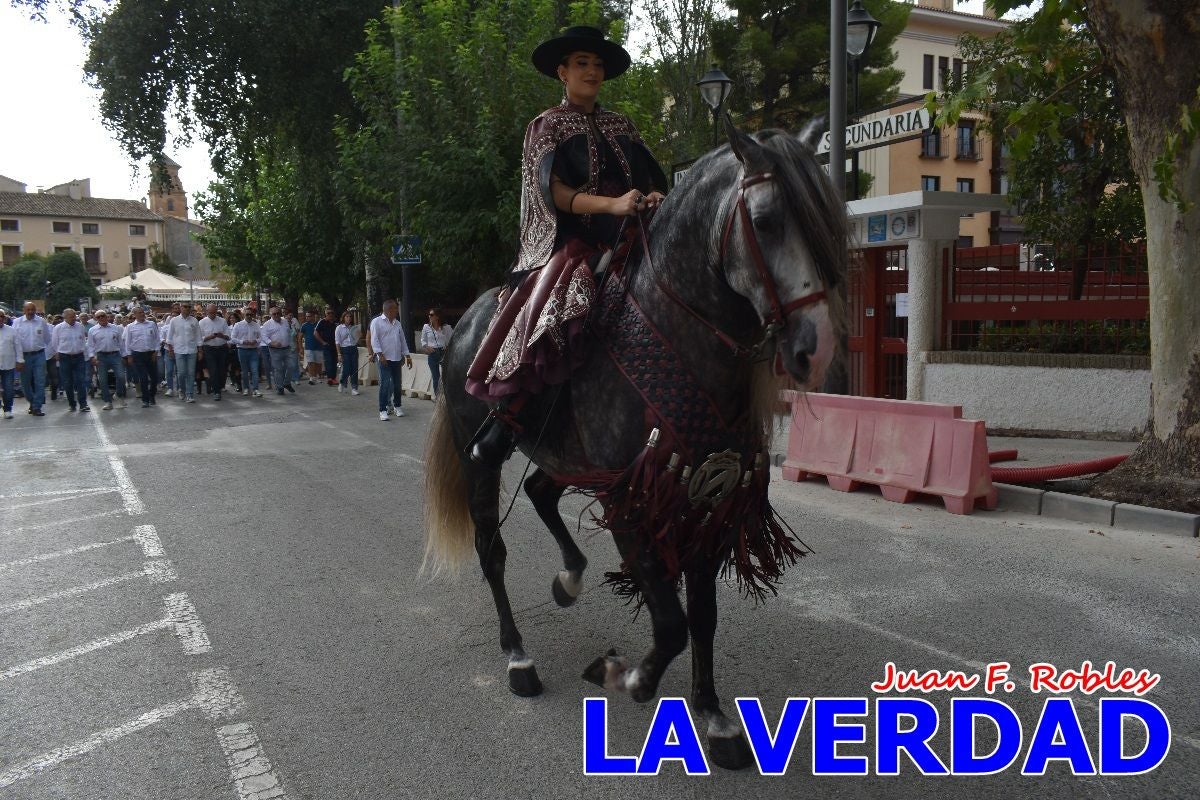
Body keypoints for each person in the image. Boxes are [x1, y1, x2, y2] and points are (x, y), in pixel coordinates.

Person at [464, 25, 667, 465]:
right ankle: (510, 417)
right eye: (581, 64)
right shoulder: (547, 126)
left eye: (597, 65)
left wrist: (649, 197)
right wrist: (612, 205)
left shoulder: (623, 125)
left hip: (633, 236)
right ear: (562, 72)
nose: (592, 71)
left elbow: (648, 179)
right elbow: (551, 192)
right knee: (562, 300)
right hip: (573, 240)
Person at [369, 299, 411, 421]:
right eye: (395, 309)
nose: (397, 311)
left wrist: (407, 355)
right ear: (388, 310)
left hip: (397, 358)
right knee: (385, 384)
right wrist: (380, 355)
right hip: (384, 359)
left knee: (397, 384)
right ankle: (383, 410)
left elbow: (402, 340)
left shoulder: (397, 323)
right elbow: (374, 340)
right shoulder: (376, 322)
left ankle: (398, 406)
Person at [12, 301, 54, 416]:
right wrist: (17, 359)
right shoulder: (16, 323)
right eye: (28, 310)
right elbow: (14, 342)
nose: (30, 312)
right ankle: (32, 401)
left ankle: (37, 407)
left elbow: (47, 339)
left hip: (39, 355)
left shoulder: (41, 322)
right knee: (25, 383)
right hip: (24, 357)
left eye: (32, 310)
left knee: (40, 382)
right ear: (24, 310)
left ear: (35, 310)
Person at [86, 310, 128, 410]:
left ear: (107, 316)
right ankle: (107, 401)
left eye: (103, 316)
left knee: (121, 376)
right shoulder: (92, 330)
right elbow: (90, 346)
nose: (101, 318)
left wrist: (125, 356)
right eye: (98, 317)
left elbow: (121, 344)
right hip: (101, 356)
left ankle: (118, 394)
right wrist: (92, 357)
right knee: (103, 380)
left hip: (115, 355)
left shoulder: (115, 328)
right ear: (96, 319)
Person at [51, 308, 90, 412]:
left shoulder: (80, 326)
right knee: (67, 382)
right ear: (65, 317)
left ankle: (83, 404)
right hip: (65, 357)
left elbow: (83, 341)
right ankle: (72, 404)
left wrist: (86, 355)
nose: (74, 318)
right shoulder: (58, 328)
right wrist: (56, 353)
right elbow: (54, 343)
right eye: (71, 316)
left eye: (74, 316)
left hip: (79, 357)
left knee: (81, 381)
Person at [123, 306, 161, 407]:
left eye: (142, 312)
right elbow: (127, 343)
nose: (142, 314)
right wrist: (129, 356)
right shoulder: (130, 327)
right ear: (134, 315)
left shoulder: (152, 324)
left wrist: (156, 352)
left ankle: (152, 394)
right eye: (139, 313)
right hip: (138, 355)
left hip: (150, 353)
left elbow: (157, 339)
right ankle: (145, 399)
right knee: (143, 378)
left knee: (154, 378)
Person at [166, 303, 201, 403]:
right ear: (181, 308)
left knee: (191, 373)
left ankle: (190, 394)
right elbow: (169, 337)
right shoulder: (174, 320)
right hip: (179, 350)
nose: (187, 308)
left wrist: (200, 350)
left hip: (192, 350)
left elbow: (198, 336)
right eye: (185, 307)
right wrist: (170, 350)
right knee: (181, 373)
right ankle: (182, 389)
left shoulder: (194, 320)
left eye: (189, 307)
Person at [260, 306, 296, 395]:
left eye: (278, 313)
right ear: (270, 315)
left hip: (287, 348)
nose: (276, 315)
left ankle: (287, 383)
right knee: (278, 369)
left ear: (280, 313)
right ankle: (280, 387)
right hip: (275, 350)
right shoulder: (267, 324)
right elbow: (263, 336)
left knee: (292, 366)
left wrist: (292, 344)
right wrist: (271, 343)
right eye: (274, 314)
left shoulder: (285, 321)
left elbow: (289, 333)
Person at [199, 303, 231, 401]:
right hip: (209, 349)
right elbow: (199, 338)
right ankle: (216, 391)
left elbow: (228, 336)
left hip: (221, 348)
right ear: (206, 312)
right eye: (211, 312)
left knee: (222, 370)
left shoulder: (222, 321)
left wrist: (222, 336)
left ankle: (217, 386)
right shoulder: (202, 322)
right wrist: (210, 337)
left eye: (214, 312)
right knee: (213, 370)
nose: (213, 314)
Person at [419, 308, 453, 397]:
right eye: (429, 315)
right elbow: (423, 341)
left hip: (443, 352)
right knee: (436, 377)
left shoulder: (446, 327)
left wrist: (447, 348)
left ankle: (447, 396)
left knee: (446, 376)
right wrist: (427, 347)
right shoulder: (426, 327)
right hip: (432, 353)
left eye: (431, 315)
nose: (429, 316)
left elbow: (451, 340)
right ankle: (438, 397)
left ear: (437, 316)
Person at [231, 307, 263, 397]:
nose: (249, 316)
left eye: (251, 315)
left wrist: (256, 341)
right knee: (244, 371)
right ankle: (246, 388)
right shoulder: (238, 325)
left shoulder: (256, 325)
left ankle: (256, 389)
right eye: (247, 314)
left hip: (253, 350)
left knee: (254, 370)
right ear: (243, 315)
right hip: (242, 350)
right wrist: (242, 341)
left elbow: (261, 337)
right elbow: (233, 338)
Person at [0, 308, 23, 419]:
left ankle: (8, 409)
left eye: (2, 316)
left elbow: (18, 347)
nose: (0, 319)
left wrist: (20, 361)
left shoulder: (11, 330)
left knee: (8, 388)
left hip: (8, 365)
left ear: (5, 318)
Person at [334, 311, 360, 395]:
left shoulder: (354, 327)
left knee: (354, 369)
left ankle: (354, 388)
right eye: (347, 317)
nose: (349, 318)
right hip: (344, 349)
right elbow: (337, 342)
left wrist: (358, 335)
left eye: (350, 317)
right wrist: (339, 354)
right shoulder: (339, 328)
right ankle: (342, 382)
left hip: (353, 348)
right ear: (343, 318)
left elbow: (357, 339)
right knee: (347, 368)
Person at [315, 308, 339, 386]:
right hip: (327, 345)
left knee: (335, 361)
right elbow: (315, 333)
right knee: (329, 361)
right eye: (328, 313)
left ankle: (334, 378)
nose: (330, 314)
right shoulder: (322, 322)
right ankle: (330, 378)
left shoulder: (336, 322)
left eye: (331, 313)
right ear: (325, 314)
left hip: (336, 344)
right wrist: (323, 342)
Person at [162, 301, 181, 396]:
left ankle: (179, 388)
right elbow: (162, 338)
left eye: (178, 308)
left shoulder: (182, 324)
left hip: (179, 350)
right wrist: (168, 344)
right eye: (175, 309)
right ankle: (170, 388)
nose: (177, 310)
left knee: (179, 371)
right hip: (168, 351)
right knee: (169, 370)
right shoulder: (166, 326)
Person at [301, 310, 321, 385]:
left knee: (317, 363)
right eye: (306, 316)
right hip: (309, 347)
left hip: (318, 347)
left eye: (309, 316)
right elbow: (300, 336)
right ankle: (311, 378)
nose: (307, 318)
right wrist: (300, 347)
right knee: (310, 362)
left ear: (313, 316)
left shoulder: (318, 324)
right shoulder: (304, 325)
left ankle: (316, 377)